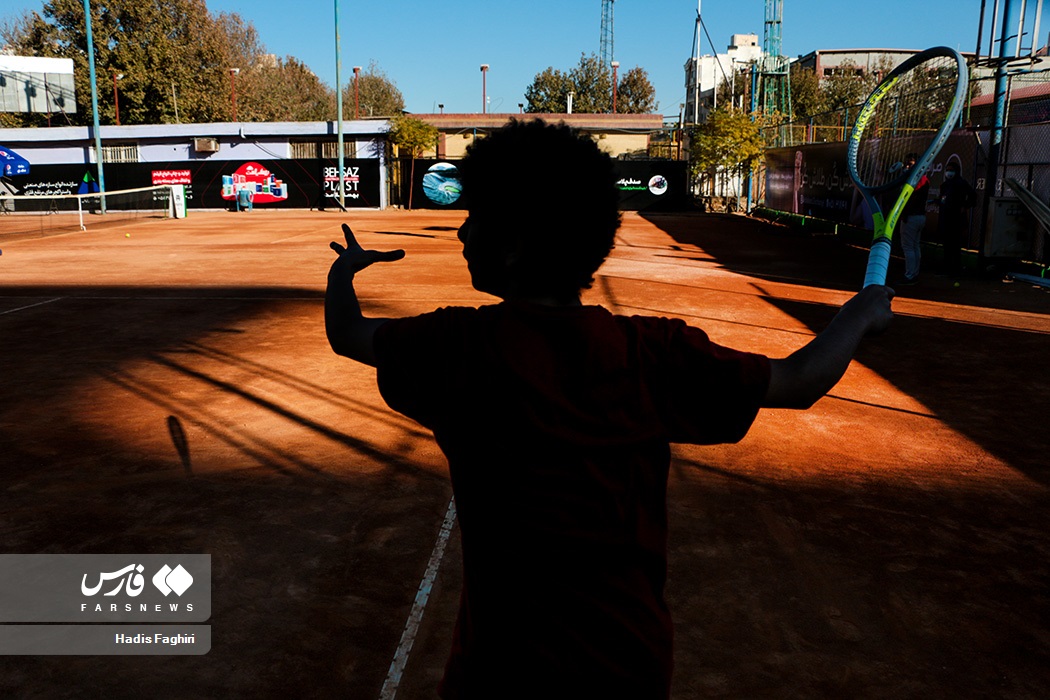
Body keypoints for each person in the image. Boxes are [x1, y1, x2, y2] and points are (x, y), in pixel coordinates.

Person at [325, 120, 894, 699]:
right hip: (625, 667)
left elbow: (347, 333)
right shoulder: (653, 353)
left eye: (477, 220)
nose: (462, 233)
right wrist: (860, 314)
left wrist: (344, 272)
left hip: (498, 673)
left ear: (515, 247)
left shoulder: (457, 347)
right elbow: (799, 380)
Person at [937, 161, 977, 277]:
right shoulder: (945, 185)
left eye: (951, 170)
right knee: (947, 246)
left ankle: (954, 270)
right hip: (946, 218)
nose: (949, 172)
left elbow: (973, 196)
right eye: (947, 170)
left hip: (956, 220)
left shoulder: (961, 183)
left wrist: (965, 206)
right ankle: (947, 269)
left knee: (955, 246)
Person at [897, 152, 930, 285]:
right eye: (907, 164)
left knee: (909, 247)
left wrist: (904, 214)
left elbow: (911, 199)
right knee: (914, 246)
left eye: (910, 164)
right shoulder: (922, 178)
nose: (907, 166)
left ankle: (910, 275)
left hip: (912, 217)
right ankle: (913, 274)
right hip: (919, 216)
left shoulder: (918, 179)